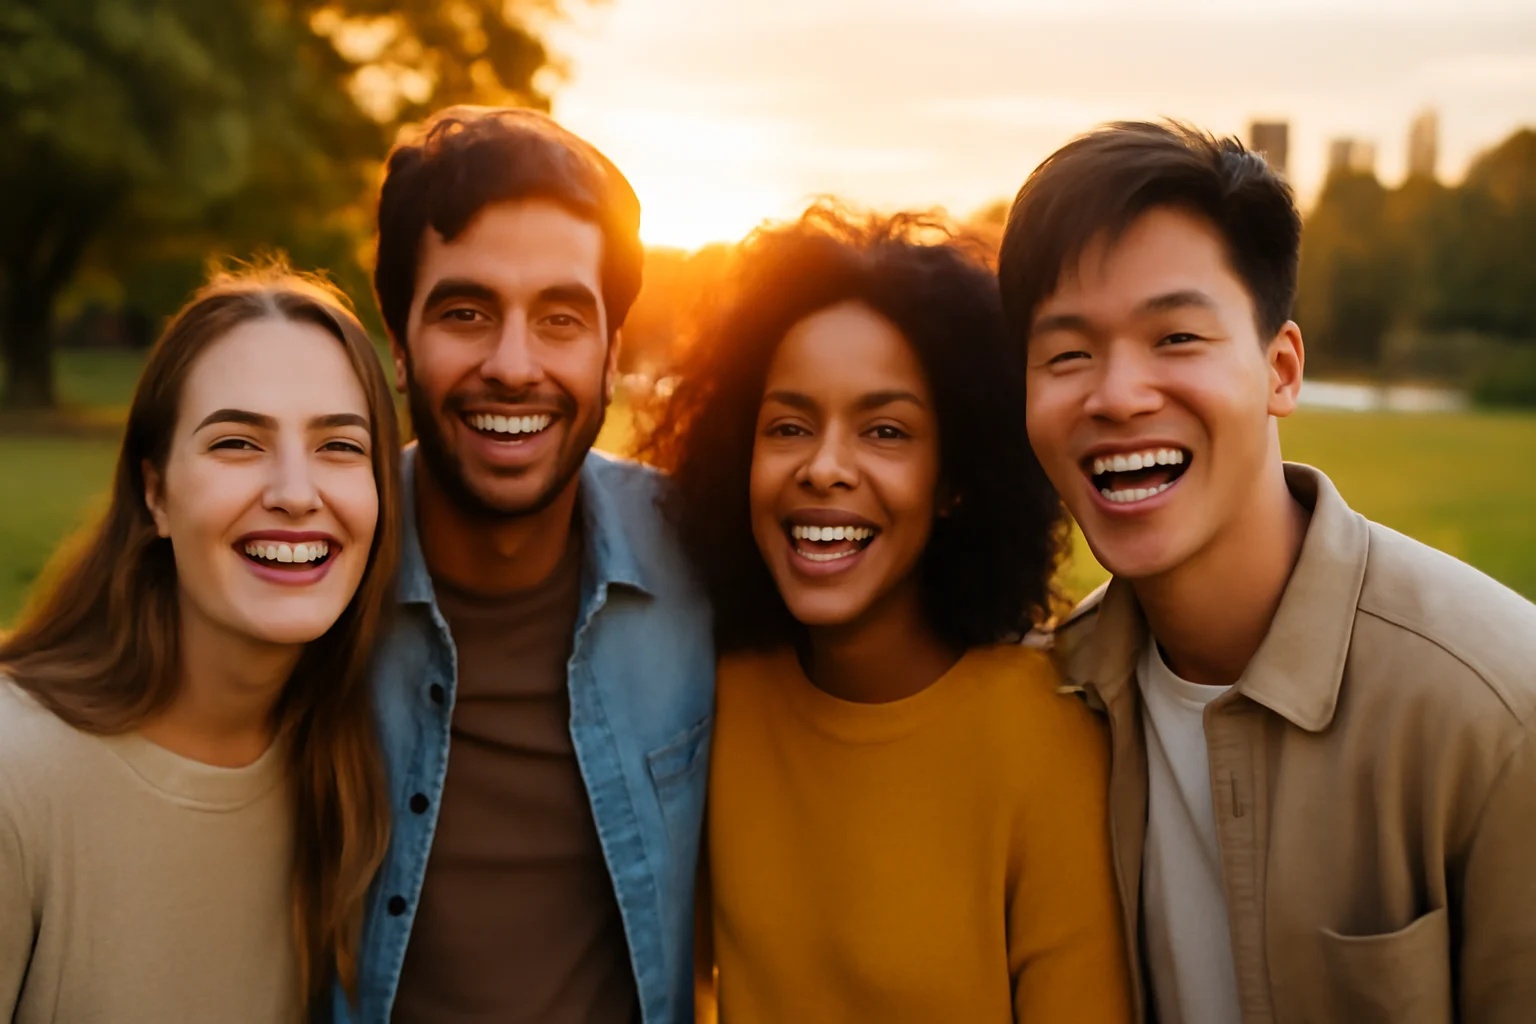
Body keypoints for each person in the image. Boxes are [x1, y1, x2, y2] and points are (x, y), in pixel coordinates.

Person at [1001, 120, 1536, 1024]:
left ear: (1280, 369)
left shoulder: (1497, 710)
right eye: (1067, 353)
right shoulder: (1053, 698)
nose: (1118, 394)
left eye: (1175, 338)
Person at [644, 205, 1133, 1023]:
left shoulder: (1051, 740)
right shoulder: (710, 700)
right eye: (789, 426)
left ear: (956, 480)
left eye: (885, 431)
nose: (825, 467)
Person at [343, 107, 713, 1024]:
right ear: (398, 345)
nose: (513, 365)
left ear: (611, 356)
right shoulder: (315, 570)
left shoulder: (709, 557)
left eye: (560, 318)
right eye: (466, 313)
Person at [0, 267, 400, 1022]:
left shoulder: (344, 769)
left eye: (339, 447)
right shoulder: (15, 776)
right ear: (155, 493)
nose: (294, 491)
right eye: (238, 442)